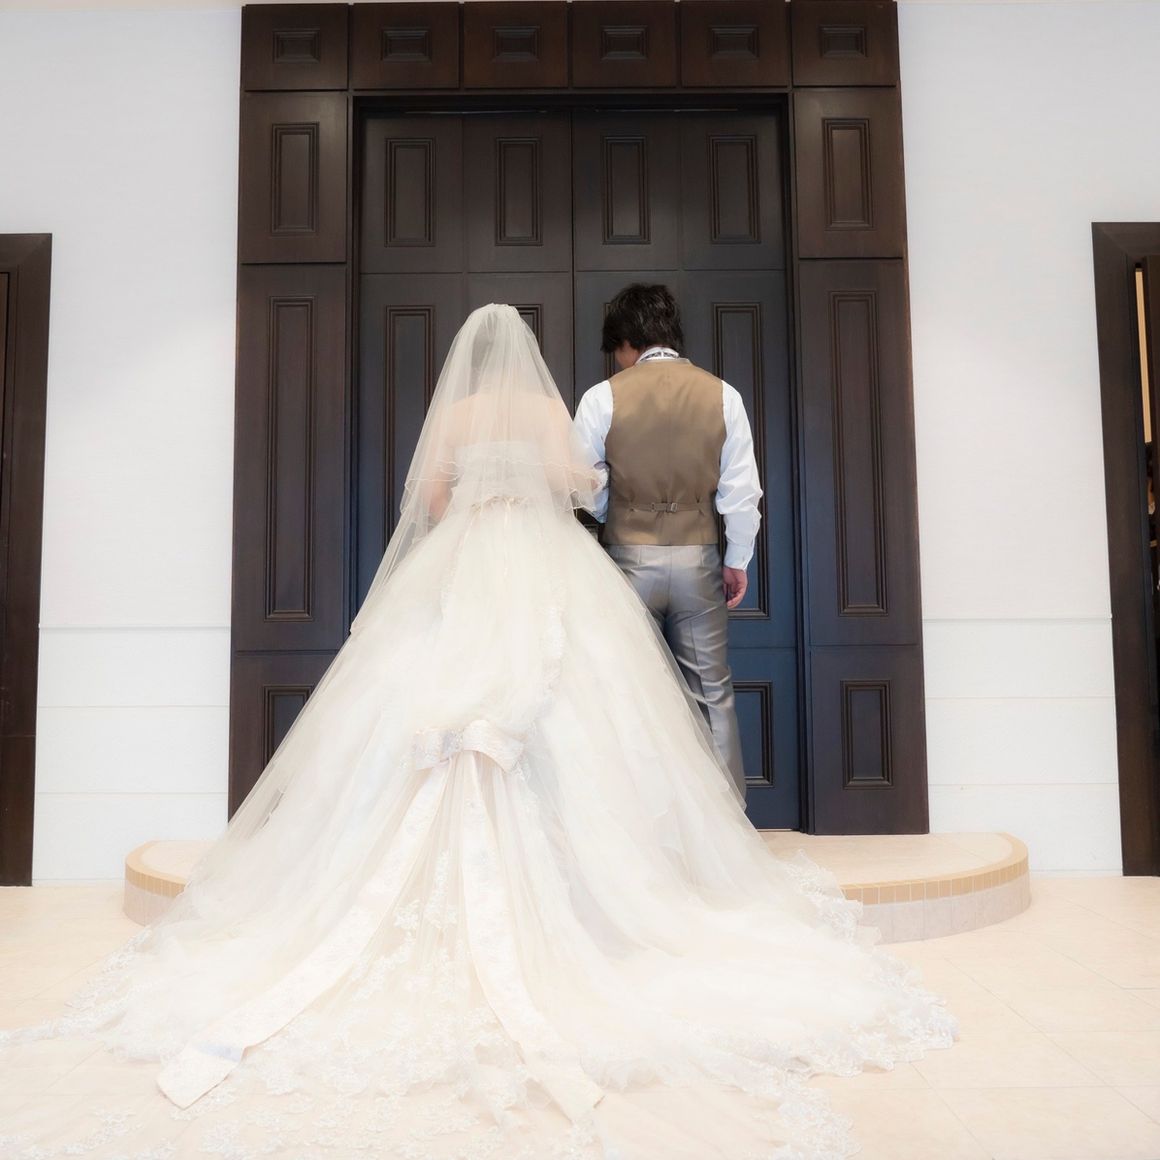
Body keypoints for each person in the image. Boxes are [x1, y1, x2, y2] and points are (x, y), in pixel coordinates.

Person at [0, 305, 955, 1160]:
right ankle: (666, 859)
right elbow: (578, 490)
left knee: (434, 689)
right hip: (555, 561)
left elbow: (431, 505)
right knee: (620, 700)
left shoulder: (456, 418)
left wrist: (476, 504)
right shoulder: (554, 411)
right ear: (527, 361)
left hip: (463, 564)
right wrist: (549, 494)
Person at [574, 285, 757, 799]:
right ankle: (727, 818)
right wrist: (737, 559)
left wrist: (616, 511)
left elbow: (581, 483)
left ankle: (641, 822)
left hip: (627, 560)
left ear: (627, 340)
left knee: (628, 692)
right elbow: (742, 492)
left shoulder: (603, 396)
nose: (618, 359)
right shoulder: (723, 395)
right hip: (699, 557)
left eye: (616, 349)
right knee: (712, 692)